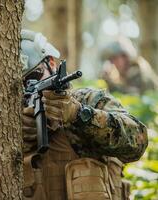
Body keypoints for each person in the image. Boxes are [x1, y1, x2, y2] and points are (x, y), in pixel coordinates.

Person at [21, 30, 148, 200]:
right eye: (22, 85)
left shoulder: (87, 100)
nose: (30, 88)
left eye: (34, 77)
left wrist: (79, 115)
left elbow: (138, 140)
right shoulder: (9, 119)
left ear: (51, 63)